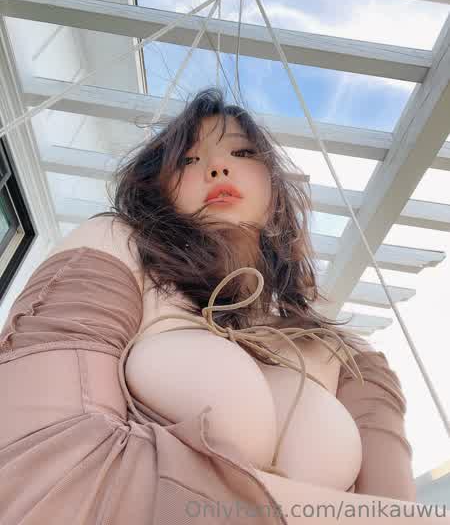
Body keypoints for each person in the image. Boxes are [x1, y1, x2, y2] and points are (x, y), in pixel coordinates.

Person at [0, 88, 441, 524]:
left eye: (243, 152)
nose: (216, 167)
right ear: (157, 187)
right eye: (187, 160)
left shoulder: (350, 356)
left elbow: (396, 507)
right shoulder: (116, 245)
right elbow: (37, 469)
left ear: (276, 187)